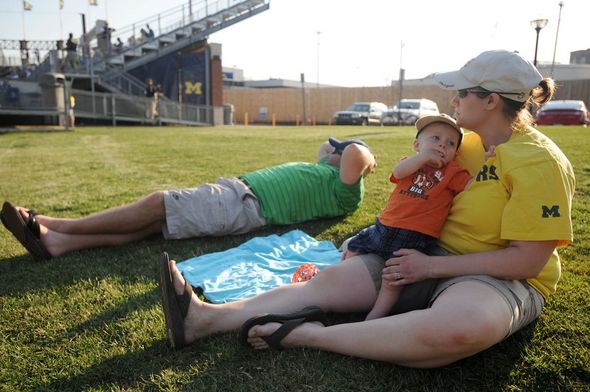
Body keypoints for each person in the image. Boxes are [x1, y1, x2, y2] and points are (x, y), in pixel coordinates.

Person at [157, 50, 575, 367]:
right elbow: (414, 199)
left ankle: (308, 336)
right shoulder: (459, 143)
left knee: (462, 327)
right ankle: (203, 319)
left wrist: (430, 270)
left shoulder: (538, 160)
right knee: (328, 284)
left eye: (463, 92)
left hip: (495, 278)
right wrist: (376, 240)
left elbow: (526, 260)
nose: (454, 100)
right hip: (421, 253)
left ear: (490, 101)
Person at [1, 139, 376, 260]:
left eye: (338, 151)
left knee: (156, 203)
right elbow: (326, 149)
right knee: (149, 225)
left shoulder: (346, 190)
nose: (331, 151)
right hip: (238, 198)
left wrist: (360, 151)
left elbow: (355, 154)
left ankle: (53, 224)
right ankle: (58, 243)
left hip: (242, 202)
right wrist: (337, 148)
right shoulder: (328, 174)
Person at [343, 114, 472, 321]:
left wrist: (489, 160)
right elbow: (398, 172)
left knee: (393, 276)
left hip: (414, 237)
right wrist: (423, 158)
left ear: (455, 154)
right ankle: (345, 281)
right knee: (353, 246)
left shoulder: (453, 171)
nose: (442, 146)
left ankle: (377, 313)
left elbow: (472, 186)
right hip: (384, 226)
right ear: (416, 144)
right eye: (435, 139)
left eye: (450, 144)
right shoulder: (410, 163)